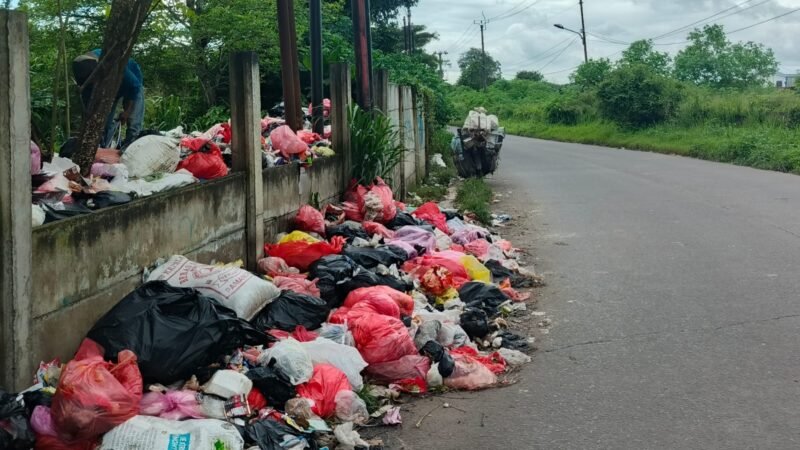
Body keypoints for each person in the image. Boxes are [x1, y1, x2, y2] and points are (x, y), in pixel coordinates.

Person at [72, 49, 144, 149]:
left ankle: (131, 149)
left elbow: (134, 87)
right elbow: (87, 106)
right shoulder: (83, 77)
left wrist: (127, 112)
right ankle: (103, 148)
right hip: (109, 91)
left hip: (132, 86)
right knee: (104, 123)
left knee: (133, 125)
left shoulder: (115, 65)